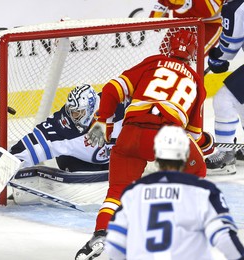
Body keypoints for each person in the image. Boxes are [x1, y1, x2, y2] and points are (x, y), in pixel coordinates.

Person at [75, 29, 215, 260]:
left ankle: (100, 236)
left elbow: (111, 89)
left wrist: (103, 121)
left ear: (169, 47)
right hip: (166, 136)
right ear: (192, 53)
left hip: (130, 134)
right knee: (196, 173)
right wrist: (208, 144)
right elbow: (194, 137)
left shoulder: (152, 62)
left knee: (117, 192)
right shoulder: (197, 82)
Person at [105, 125, 244, 260]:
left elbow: (114, 245)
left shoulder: (133, 192)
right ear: (186, 155)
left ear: (157, 156)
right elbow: (224, 238)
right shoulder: (203, 191)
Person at [9, 84, 125, 173]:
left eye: (78, 113)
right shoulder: (64, 124)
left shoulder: (119, 107)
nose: (73, 117)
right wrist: (11, 161)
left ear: (90, 109)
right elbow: (38, 141)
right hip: (78, 163)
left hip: (113, 160)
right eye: (72, 112)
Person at [205, 0, 244, 175]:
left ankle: (225, 152)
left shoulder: (235, 7)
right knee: (240, 98)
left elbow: (229, 49)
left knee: (224, 99)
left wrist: (215, 57)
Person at [148, 0, 224, 56]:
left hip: (208, 25)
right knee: (165, 55)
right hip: (183, 21)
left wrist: (184, 3)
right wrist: (162, 6)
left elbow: (209, 9)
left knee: (189, 57)